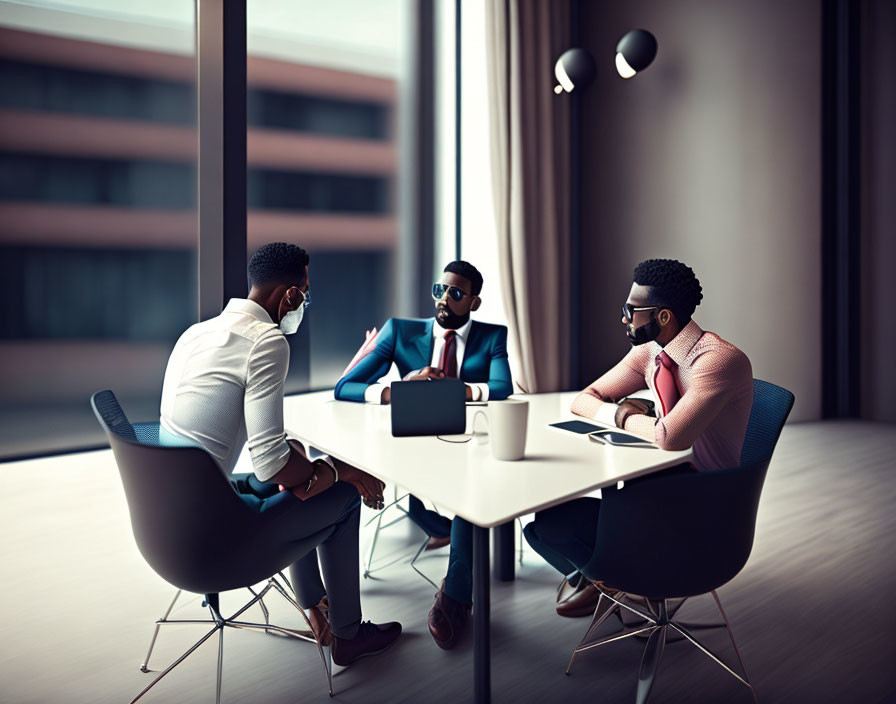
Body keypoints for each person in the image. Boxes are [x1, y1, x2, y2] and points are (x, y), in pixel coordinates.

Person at [159, 242, 402, 666]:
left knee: (295, 476)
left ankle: (315, 606)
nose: (303, 303)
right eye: (304, 294)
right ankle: (347, 635)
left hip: (166, 520)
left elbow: (265, 458)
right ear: (290, 295)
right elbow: (273, 465)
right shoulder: (265, 342)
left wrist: (307, 466)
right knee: (341, 498)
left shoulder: (196, 333)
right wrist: (341, 472)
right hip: (212, 537)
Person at [524, 258, 753, 616]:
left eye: (630, 311)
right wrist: (624, 413)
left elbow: (669, 437)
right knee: (542, 527)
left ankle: (623, 582)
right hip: (653, 481)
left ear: (663, 317)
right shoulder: (649, 353)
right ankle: (612, 583)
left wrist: (627, 414)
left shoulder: (717, 361)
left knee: (561, 526)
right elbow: (584, 400)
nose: (623, 319)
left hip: (704, 501)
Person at [334, 260, 513, 649]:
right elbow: (345, 386)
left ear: (474, 302)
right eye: (440, 289)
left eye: (456, 293)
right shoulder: (401, 331)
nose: (444, 299)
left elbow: (501, 388)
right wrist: (400, 388)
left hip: (467, 445)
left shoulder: (492, 336)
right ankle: (442, 529)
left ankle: (454, 598)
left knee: (472, 494)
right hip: (408, 446)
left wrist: (456, 389)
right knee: (427, 499)